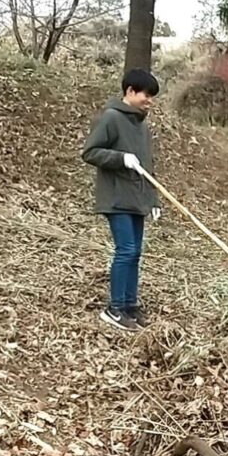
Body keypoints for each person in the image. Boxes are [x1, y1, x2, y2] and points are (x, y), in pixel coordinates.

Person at [82, 69, 162, 332]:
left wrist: (154, 201)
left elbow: (148, 168)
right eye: (145, 94)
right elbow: (90, 152)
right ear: (129, 91)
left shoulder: (142, 126)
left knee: (135, 253)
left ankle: (129, 305)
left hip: (138, 198)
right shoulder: (111, 118)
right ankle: (114, 308)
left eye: (152, 96)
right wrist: (120, 158)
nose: (149, 100)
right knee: (125, 250)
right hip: (117, 197)